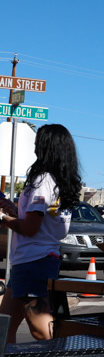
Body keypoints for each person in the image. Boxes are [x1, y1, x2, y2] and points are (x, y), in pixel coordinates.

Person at [0, 124, 80, 342]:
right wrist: (15, 210)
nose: (35, 148)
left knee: (40, 330)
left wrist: (3, 219)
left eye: (38, 144)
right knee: (3, 328)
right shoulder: (57, 180)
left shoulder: (42, 180)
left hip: (32, 262)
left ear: (47, 147)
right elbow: (41, 223)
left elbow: (29, 229)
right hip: (37, 260)